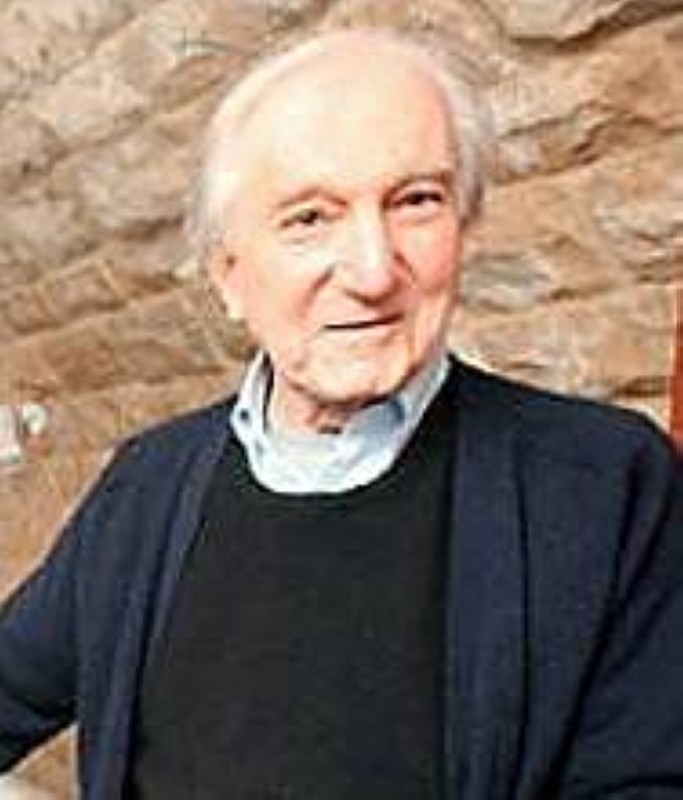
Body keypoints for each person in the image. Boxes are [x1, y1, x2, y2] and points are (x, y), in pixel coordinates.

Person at [1, 28, 682, 800]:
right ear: (229, 275)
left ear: (463, 231)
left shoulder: (605, 487)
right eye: (309, 218)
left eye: (415, 202)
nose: (371, 270)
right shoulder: (146, 485)